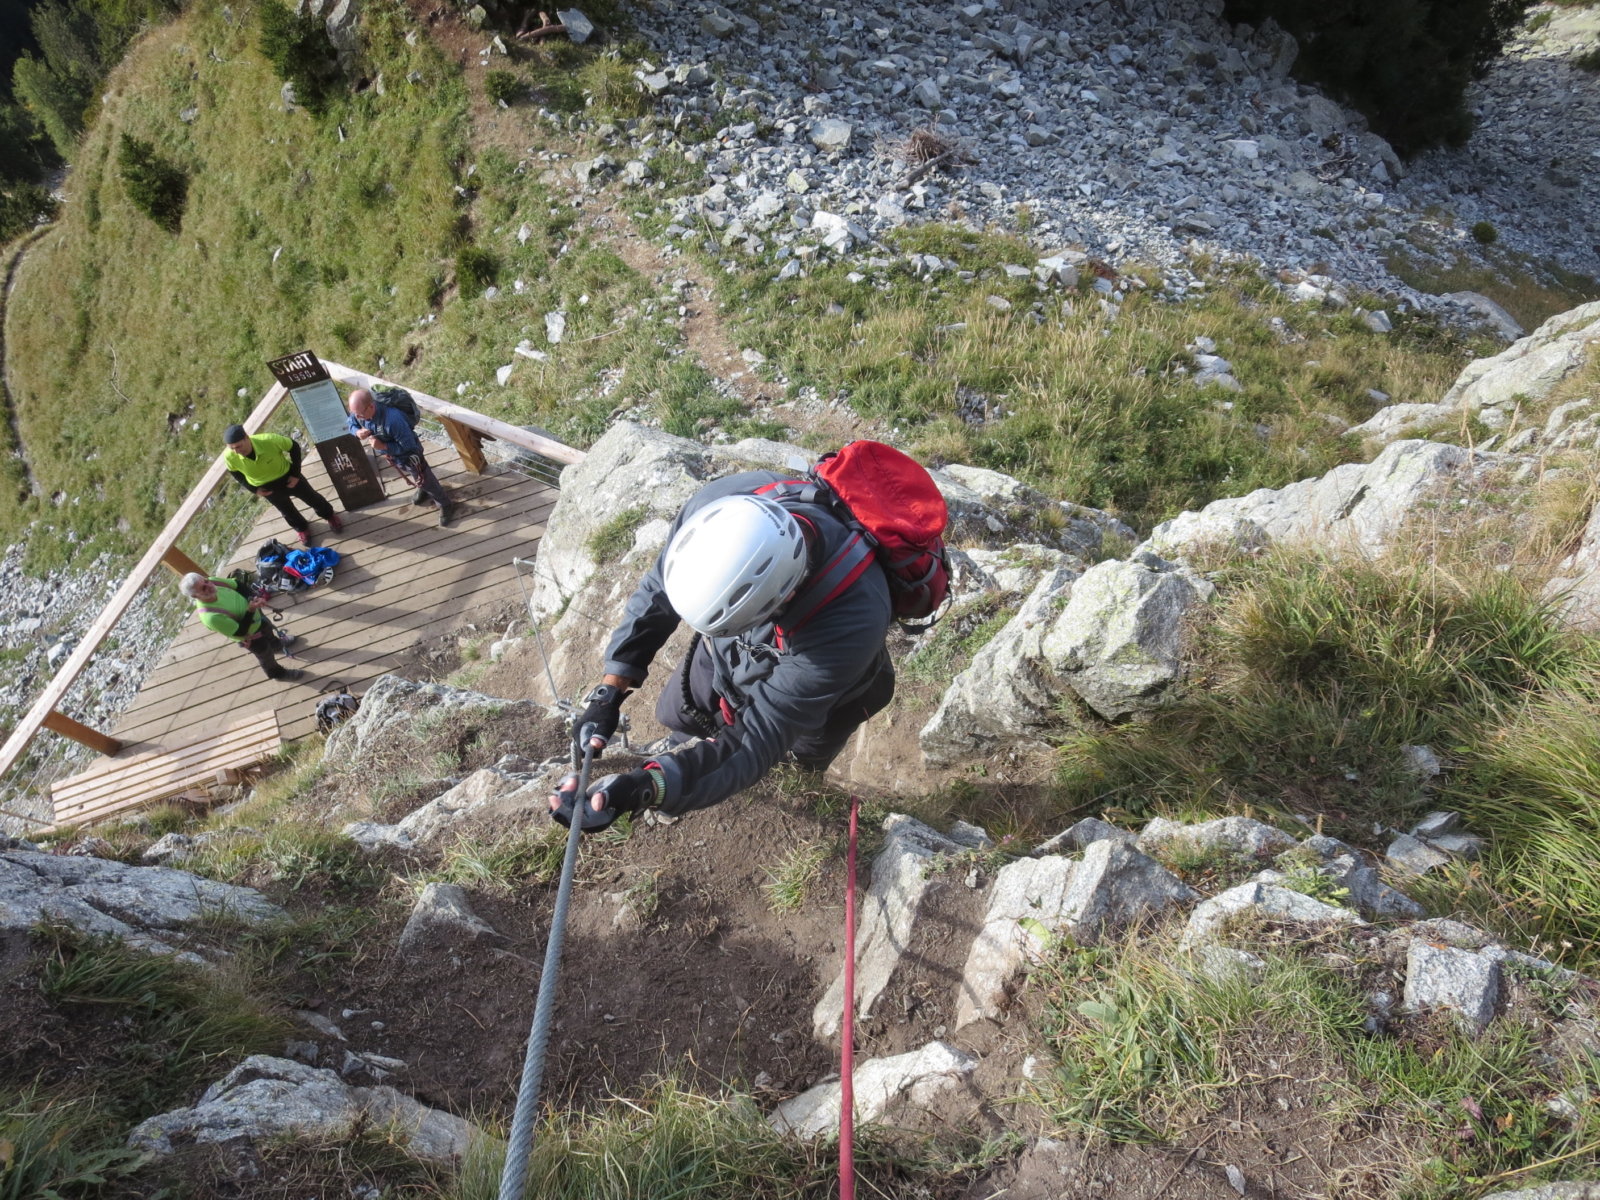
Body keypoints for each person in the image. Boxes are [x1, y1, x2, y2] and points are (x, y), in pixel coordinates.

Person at [549, 473, 897, 832]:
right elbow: (657, 593)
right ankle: (688, 760)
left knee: (792, 763)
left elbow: (759, 738)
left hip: (830, 693)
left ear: (784, 597)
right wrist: (610, 691)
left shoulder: (853, 620)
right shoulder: (716, 505)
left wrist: (646, 788)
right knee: (677, 712)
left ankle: (764, 792)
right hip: (729, 651)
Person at [345, 388, 458, 527]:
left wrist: (384, 446)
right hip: (395, 457)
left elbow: (410, 446)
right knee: (418, 477)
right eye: (355, 414)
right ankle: (422, 486)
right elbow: (350, 422)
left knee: (426, 479)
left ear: (371, 406)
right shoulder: (360, 413)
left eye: (360, 415)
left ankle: (445, 504)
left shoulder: (393, 420)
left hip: (410, 457)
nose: (358, 418)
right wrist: (357, 432)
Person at [222, 425, 342, 547]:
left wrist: (295, 474)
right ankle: (301, 528)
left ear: (246, 438)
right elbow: (235, 472)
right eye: (232, 448)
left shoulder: (268, 440)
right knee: (286, 511)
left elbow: (293, 446)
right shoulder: (229, 456)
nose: (236, 451)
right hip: (266, 488)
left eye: (238, 446)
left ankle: (329, 515)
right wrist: (254, 489)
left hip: (287, 477)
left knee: (312, 498)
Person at [179, 572, 305, 682]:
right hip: (251, 637)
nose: (210, 586)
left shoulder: (214, 582)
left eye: (206, 581)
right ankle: (277, 673)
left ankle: (276, 644)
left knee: (267, 629)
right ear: (195, 596)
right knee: (265, 654)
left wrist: (253, 598)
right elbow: (241, 631)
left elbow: (238, 585)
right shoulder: (211, 616)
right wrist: (250, 610)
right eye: (203, 588)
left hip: (257, 617)